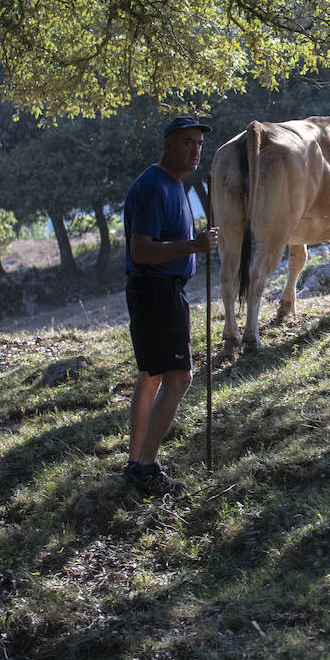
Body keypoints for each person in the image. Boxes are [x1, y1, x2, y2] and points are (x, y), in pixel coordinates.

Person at [121, 115, 219, 495]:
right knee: (180, 377)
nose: (195, 150)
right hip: (155, 289)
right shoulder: (152, 187)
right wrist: (193, 247)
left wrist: (195, 245)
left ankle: (135, 460)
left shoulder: (175, 184)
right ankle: (145, 467)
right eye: (187, 143)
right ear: (168, 145)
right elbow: (140, 249)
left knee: (152, 375)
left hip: (161, 288)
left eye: (199, 143)